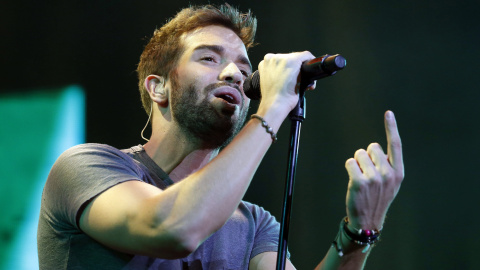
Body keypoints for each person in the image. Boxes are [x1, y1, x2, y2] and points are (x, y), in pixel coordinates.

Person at [37, 4, 404, 270]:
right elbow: (173, 228)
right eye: (209, 59)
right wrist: (273, 108)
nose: (233, 73)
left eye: (244, 69)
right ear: (159, 88)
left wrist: (359, 232)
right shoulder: (88, 168)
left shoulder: (252, 223)